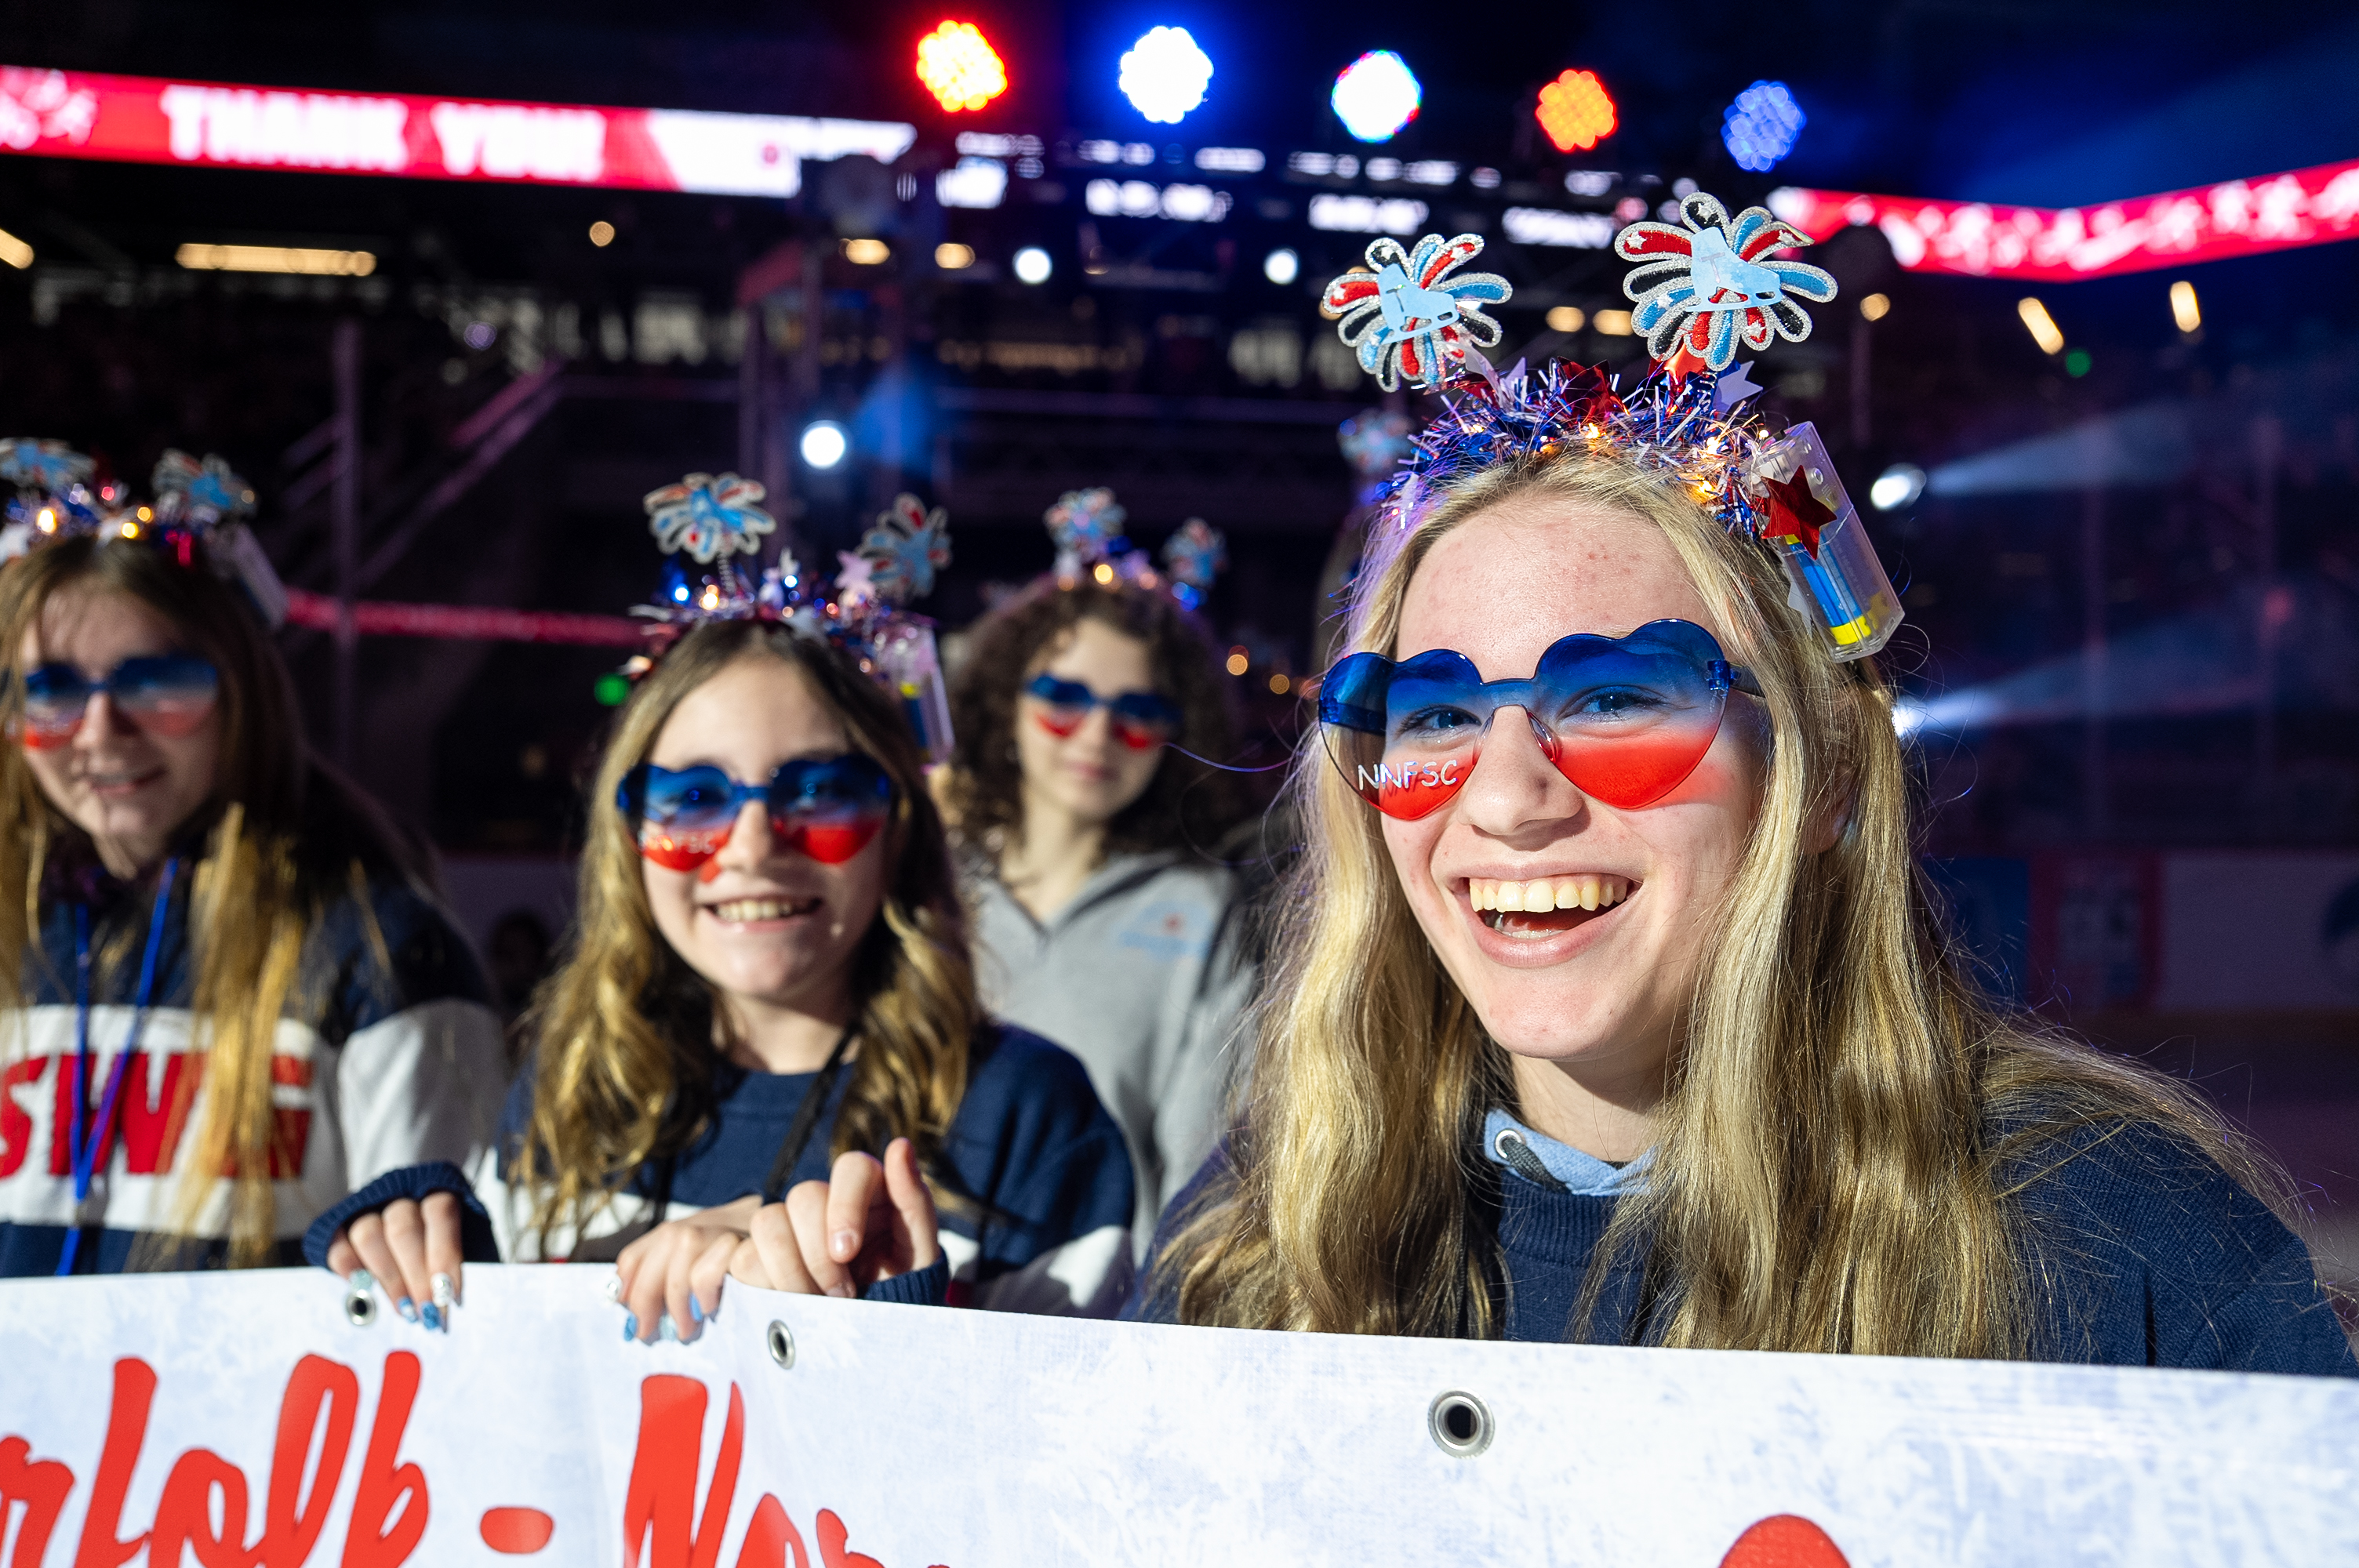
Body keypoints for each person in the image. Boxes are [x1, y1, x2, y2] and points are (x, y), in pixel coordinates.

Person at [1134, 208, 2357, 1376]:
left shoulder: (2121, 1249)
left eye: (1615, 697)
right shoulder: (1263, 1237)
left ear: (1822, 771)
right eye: (1436, 714)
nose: (1505, 801)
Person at [307, 479, 1134, 1335]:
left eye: (817, 792)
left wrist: (862, 1312)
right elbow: (525, 1391)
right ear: (629, 839)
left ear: (897, 830)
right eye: (694, 797)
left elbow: (1071, 1415)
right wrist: (438, 1253)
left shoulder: (1026, 1114)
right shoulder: (575, 1079)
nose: (751, 846)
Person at [0, 443, 507, 1279]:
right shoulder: (15, 927)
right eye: (49, 690)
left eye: (156, 682)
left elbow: (445, 1298)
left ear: (244, 693)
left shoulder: (383, 949)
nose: (98, 733)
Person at [941, 492, 1256, 1257]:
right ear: (1005, 703)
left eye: (1138, 710)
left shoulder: (1203, 908)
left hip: (1093, 1307)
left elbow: (1202, 1177)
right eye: (1064, 698)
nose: (1097, 734)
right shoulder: (925, 879)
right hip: (897, 1292)